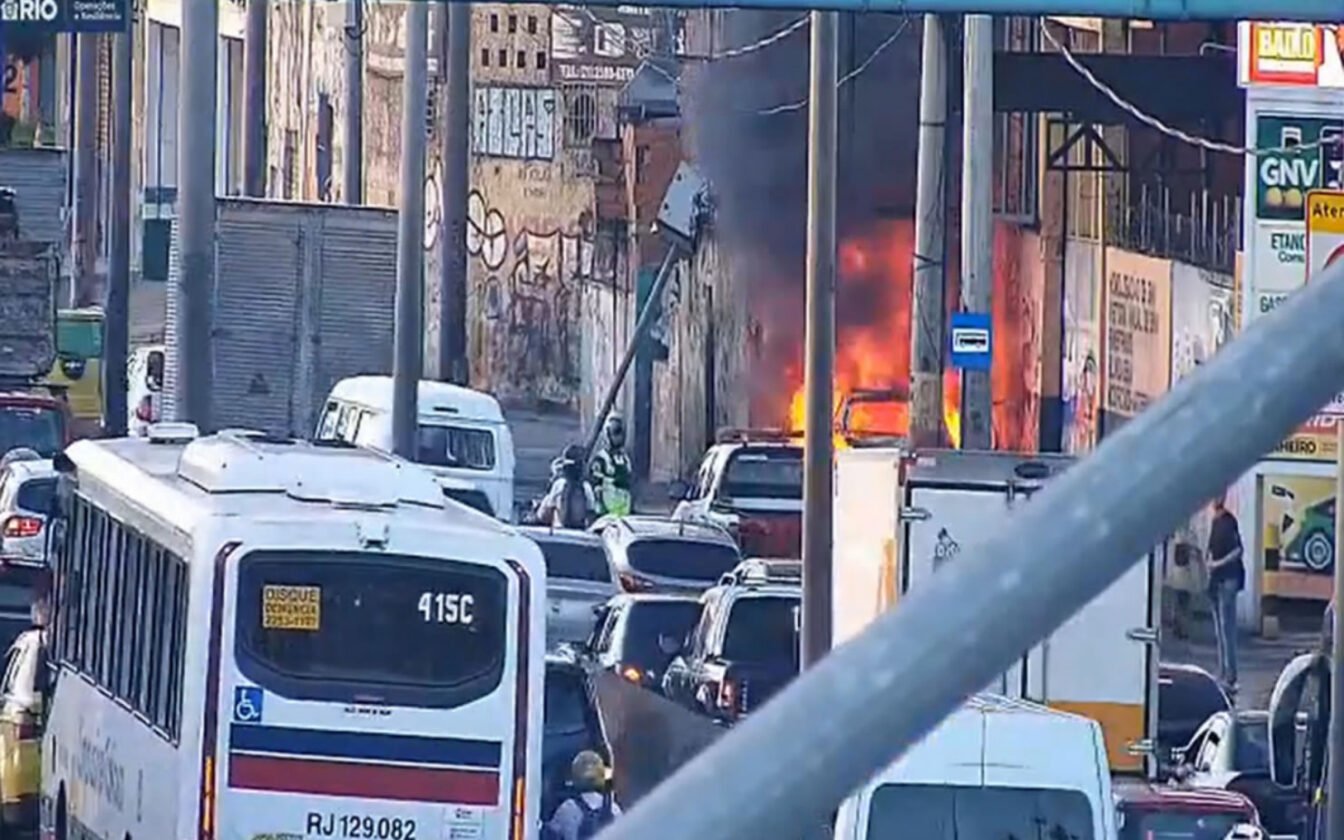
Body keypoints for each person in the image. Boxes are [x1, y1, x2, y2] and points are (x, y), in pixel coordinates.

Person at [1206, 493, 1245, 696]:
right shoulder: (1214, 521)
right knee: (1220, 630)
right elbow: (1212, 550)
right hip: (1216, 579)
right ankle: (1223, 672)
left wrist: (1218, 564)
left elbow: (1238, 550)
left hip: (1228, 578)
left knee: (1227, 628)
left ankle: (1230, 675)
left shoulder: (1229, 521)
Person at [543, 750, 620, 840]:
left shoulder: (566, 809)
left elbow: (549, 834)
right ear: (601, 776)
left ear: (575, 777)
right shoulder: (614, 809)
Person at [534, 444, 597, 529]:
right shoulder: (586, 487)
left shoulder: (559, 484)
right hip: (580, 530)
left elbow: (545, 514)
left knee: (548, 503)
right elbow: (591, 512)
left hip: (559, 529)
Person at [590, 415, 633, 517]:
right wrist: (601, 510)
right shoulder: (601, 459)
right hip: (606, 514)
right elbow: (596, 486)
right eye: (616, 433)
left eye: (621, 434)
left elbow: (629, 484)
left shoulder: (625, 458)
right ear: (607, 435)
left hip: (624, 514)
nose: (619, 437)